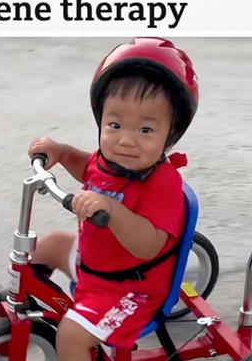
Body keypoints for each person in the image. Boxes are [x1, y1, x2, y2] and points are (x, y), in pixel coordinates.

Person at [28, 37, 199, 361]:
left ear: (171, 134)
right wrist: (62, 152)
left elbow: (148, 246)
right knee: (48, 245)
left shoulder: (162, 183)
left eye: (145, 130)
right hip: (95, 265)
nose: (126, 140)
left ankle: (77, 332)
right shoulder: (111, 161)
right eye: (115, 125)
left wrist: (113, 210)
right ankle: (25, 306)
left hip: (131, 289)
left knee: (71, 337)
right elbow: (88, 167)